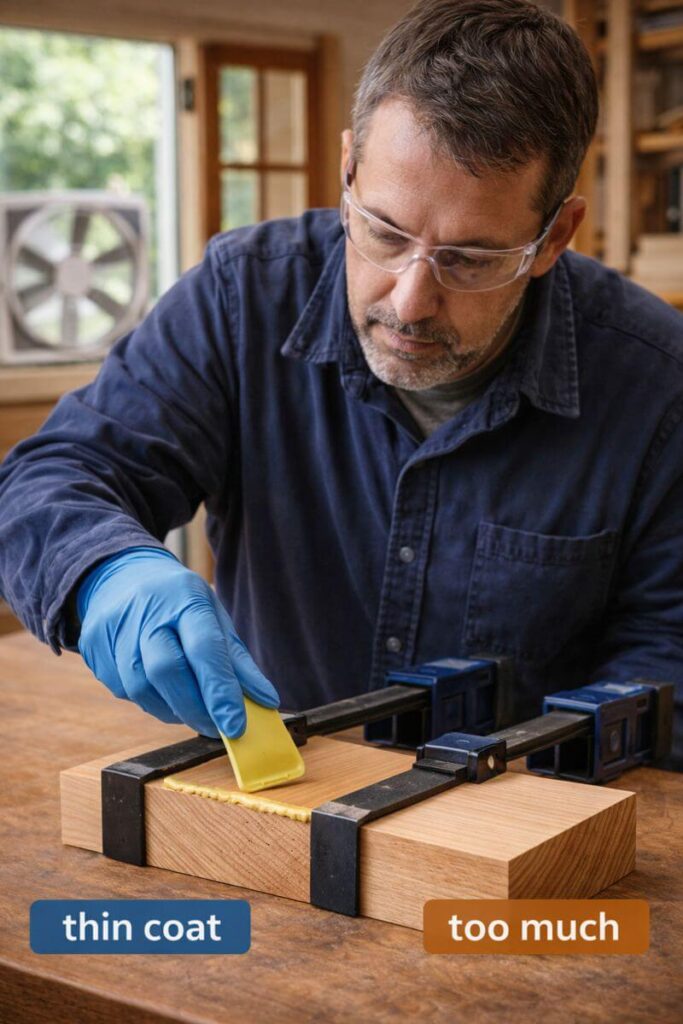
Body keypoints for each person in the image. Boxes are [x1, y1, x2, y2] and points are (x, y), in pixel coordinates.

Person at [1, 0, 682, 763]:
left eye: (469, 259)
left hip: (530, 835)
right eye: (384, 233)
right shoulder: (240, 302)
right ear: (348, 168)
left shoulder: (657, 382)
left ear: (554, 234)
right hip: (279, 809)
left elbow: (666, 662)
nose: (408, 300)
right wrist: (106, 573)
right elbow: (53, 477)